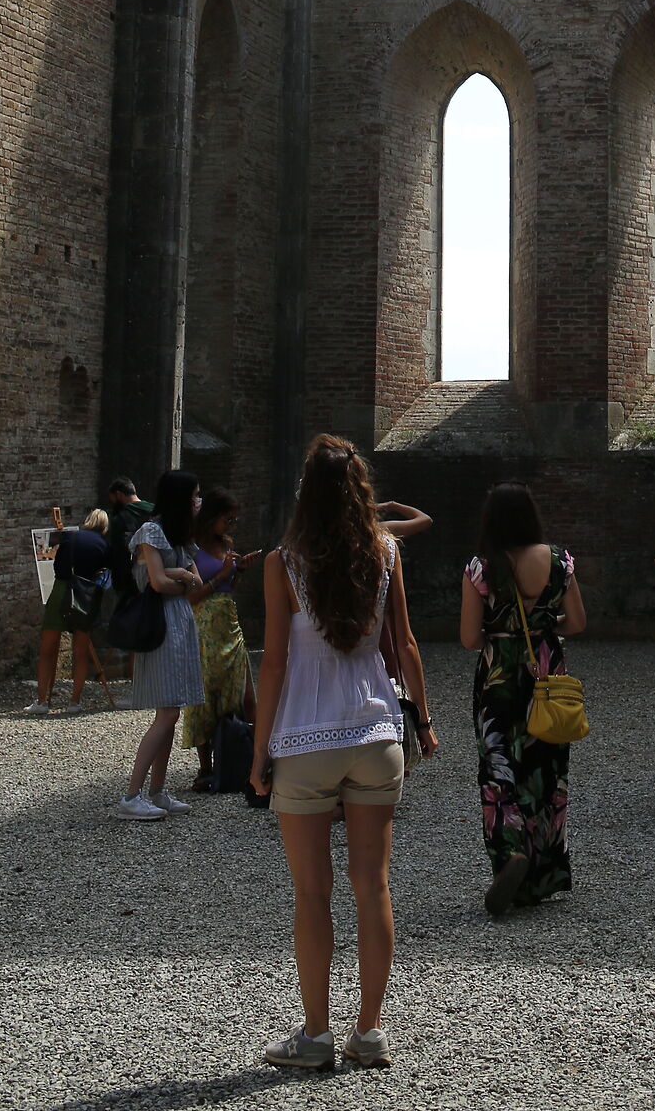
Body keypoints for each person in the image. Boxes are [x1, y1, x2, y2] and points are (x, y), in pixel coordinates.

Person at [250, 434, 437, 1074]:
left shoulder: (284, 563)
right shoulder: (386, 552)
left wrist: (258, 751)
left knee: (312, 893)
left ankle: (316, 1035)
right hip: (376, 733)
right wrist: (426, 721)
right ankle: (371, 1031)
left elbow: (273, 663)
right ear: (361, 491)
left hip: (305, 737)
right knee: (373, 885)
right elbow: (405, 646)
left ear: (308, 492)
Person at [460, 482, 586, 916]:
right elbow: (579, 622)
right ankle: (541, 873)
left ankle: (509, 851)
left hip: (499, 675)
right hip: (547, 669)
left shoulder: (482, 566)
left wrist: (505, 631)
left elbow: (468, 637)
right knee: (545, 770)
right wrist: (543, 626)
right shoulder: (559, 560)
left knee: (499, 768)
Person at [111, 468, 206, 823]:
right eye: (195, 495)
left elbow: (195, 580)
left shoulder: (180, 535)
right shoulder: (152, 531)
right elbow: (157, 582)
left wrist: (179, 578)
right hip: (161, 624)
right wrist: (180, 577)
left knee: (172, 711)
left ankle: (157, 790)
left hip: (179, 622)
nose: (199, 501)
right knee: (166, 713)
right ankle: (131, 794)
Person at [183, 488, 261, 788]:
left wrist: (238, 572)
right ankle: (205, 769)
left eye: (235, 521)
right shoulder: (191, 550)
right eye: (228, 520)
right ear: (212, 518)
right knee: (205, 696)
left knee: (244, 695)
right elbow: (191, 598)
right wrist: (222, 574)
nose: (232, 526)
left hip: (229, 623)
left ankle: (247, 760)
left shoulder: (225, 545)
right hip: (204, 628)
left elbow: (229, 587)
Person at [24, 508, 110, 715]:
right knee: (80, 652)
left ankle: (42, 701)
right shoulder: (104, 545)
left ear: (88, 520)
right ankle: (75, 701)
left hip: (62, 589)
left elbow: (57, 567)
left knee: (47, 648)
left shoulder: (71, 537)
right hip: (86, 595)